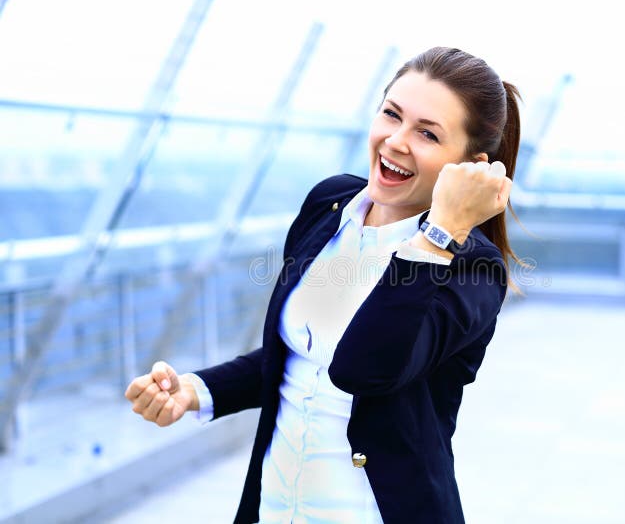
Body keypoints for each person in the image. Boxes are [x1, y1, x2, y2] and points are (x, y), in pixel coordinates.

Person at [125, 46, 522, 523]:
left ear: (470, 167)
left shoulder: (471, 268)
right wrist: (198, 390)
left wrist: (437, 237)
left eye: (427, 134)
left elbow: (364, 369)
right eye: (391, 114)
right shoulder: (329, 203)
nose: (396, 141)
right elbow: (301, 356)